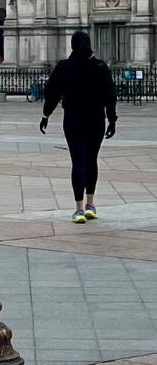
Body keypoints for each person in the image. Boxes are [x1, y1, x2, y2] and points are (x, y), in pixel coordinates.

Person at [41, 30, 117, 224]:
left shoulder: (65, 67)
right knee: (92, 160)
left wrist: (46, 115)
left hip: (74, 119)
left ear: (72, 45)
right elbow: (110, 94)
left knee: (78, 162)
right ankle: (91, 204)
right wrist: (112, 119)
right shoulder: (100, 67)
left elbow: (52, 92)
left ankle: (79, 209)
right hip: (96, 120)